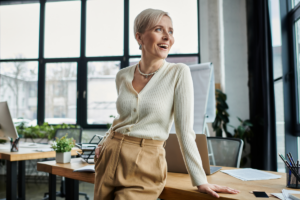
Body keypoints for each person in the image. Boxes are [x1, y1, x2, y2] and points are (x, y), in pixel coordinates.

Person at [94, 8, 240, 200]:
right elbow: (123, 119)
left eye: (170, 32)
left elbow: (184, 131)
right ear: (139, 37)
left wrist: (200, 180)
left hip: (146, 162)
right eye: (158, 29)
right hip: (109, 156)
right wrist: (104, 141)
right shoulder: (122, 75)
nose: (167, 37)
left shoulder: (179, 73)